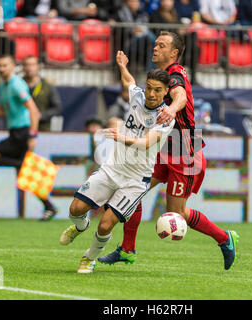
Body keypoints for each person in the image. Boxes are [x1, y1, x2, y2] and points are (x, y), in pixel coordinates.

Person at [98, 31, 239, 271]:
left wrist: (173, 109)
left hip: (184, 150)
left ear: (173, 53)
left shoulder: (176, 75)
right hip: (162, 148)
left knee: (178, 213)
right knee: (134, 190)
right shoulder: (161, 76)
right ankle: (128, 250)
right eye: (155, 44)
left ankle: (224, 239)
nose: (155, 48)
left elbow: (180, 96)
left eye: (161, 46)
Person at [58, 51, 176, 274]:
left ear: (166, 91)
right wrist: (122, 66)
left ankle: (89, 258)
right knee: (75, 209)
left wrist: (122, 136)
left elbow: (146, 142)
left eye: (157, 90)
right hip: (113, 168)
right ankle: (80, 226)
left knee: (106, 223)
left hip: (136, 180)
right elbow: (129, 81)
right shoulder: (138, 96)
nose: (151, 93)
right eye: (149, 87)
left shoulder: (165, 117)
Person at [0, 55, 58, 221]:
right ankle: (49, 206)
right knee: (23, 174)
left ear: (12, 66)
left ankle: (24, 167)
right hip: (15, 132)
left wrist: (32, 135)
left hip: (22, 133)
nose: (1, 68)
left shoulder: (16, 84)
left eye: (5, 65)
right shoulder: (4, 86)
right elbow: (4, 111)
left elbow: (34, 111)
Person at [22, 56, 62, 132]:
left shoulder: (47, 85)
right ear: (23, 67)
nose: (29, 68)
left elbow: (57, 108)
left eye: (32, 65)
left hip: (42, 129)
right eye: (27, 65)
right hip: (22, 129)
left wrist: (41, 115)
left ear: (38, 67)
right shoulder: (18, 85)